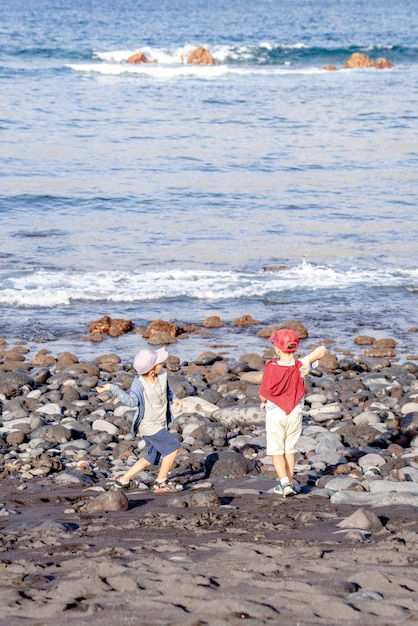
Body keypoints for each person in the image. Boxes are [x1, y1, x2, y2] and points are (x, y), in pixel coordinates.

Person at [96, 347, 183, 493]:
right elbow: (131, 401)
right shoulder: (139, 383)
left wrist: (175, 399)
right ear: (151, 370)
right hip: (148, 425)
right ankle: (161, 482)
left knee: (152, 456)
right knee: (173, 447)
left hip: (160, 422)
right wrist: (112, 388)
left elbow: (167, 390)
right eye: (159, 362)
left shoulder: (162, 374)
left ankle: (123, 480)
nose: (163, 363)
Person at [259, 328, 327, 497]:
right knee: (289, 449)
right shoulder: (301, 365)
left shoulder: (271, 366)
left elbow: (263, 392)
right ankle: (288, 484)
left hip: (275, 412)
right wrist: (308, 360)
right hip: (294, 412)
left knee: (276, 450)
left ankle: (284, 483)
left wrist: (263, 402)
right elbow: (322, 350)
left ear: (277, 349)